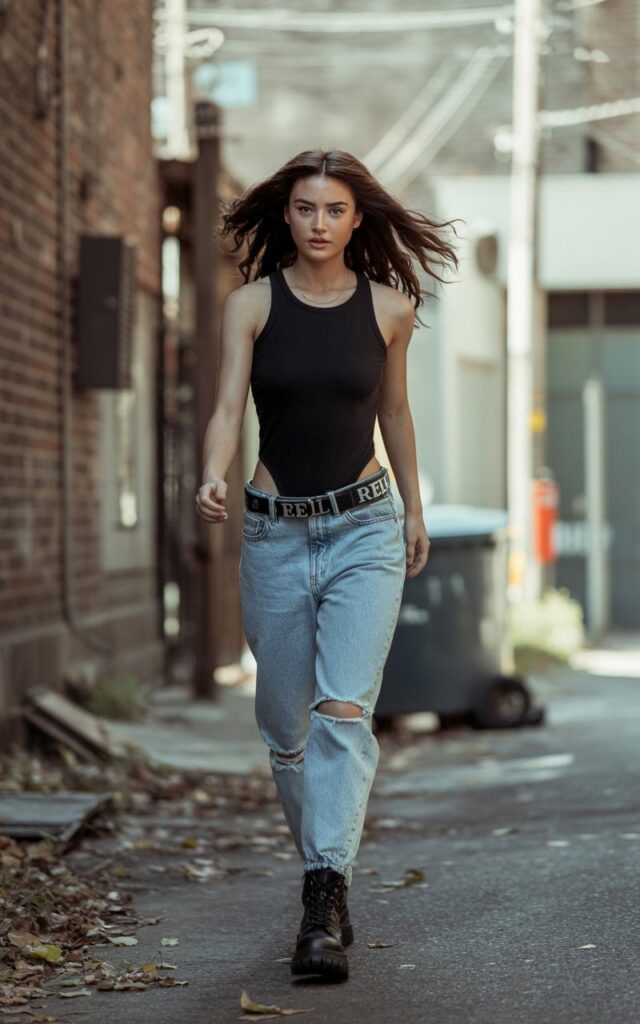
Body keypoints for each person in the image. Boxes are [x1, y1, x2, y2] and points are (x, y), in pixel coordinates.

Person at [195, 149, 458, 981]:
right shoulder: (251, 305)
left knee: (344, 711)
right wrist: (212, 472)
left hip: (363, 531)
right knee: (287, 730)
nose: (318, 223)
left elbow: (398, 414)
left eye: (334, 210)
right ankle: (327, 874)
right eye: (305, 209)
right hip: (274, 532)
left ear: (356, 219)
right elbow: (226, 406)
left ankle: (322, 893)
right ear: (287, 216)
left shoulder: (389, 308)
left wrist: (415, 508)